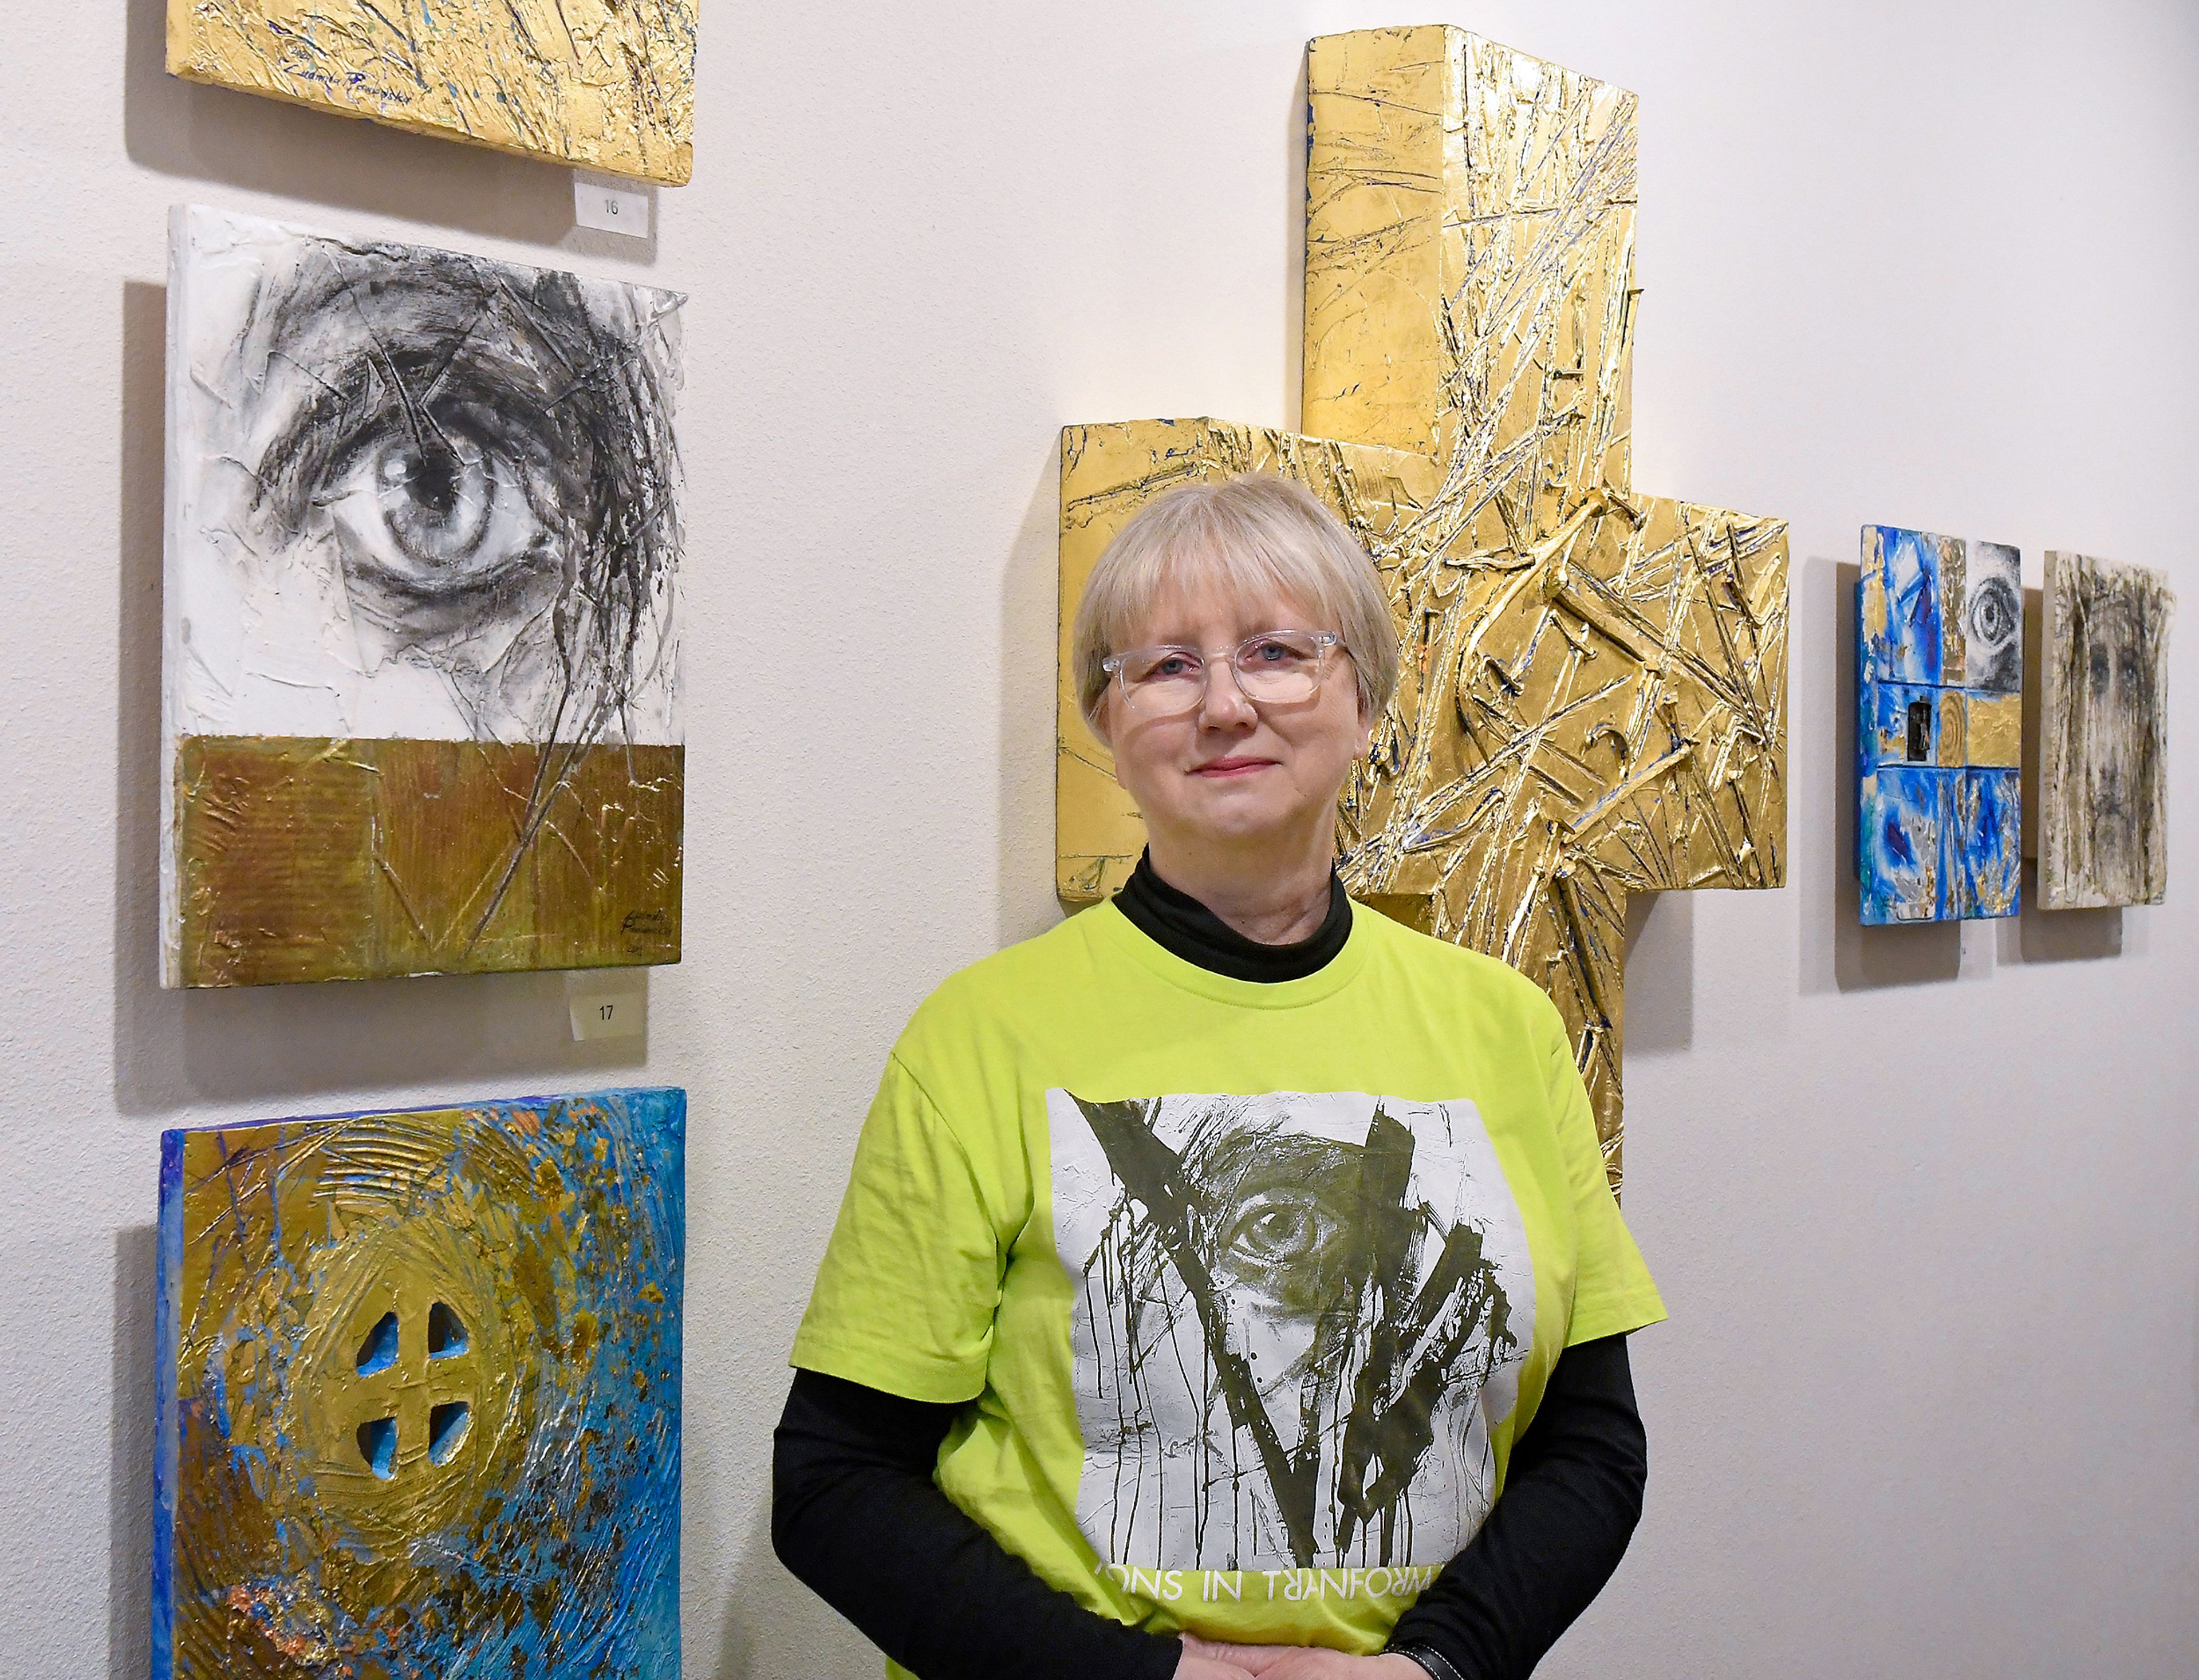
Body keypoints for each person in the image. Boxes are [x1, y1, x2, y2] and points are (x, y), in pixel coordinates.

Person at [774, 474, 1665, 1680]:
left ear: (1365, 701)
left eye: (1277, 652)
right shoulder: (981, 1036)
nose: (1225, 705)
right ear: (1107, 722)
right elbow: (835, 1485)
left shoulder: (1505, 1028)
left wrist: (1432, 1670)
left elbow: (1592, 1446)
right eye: (1165, 667)